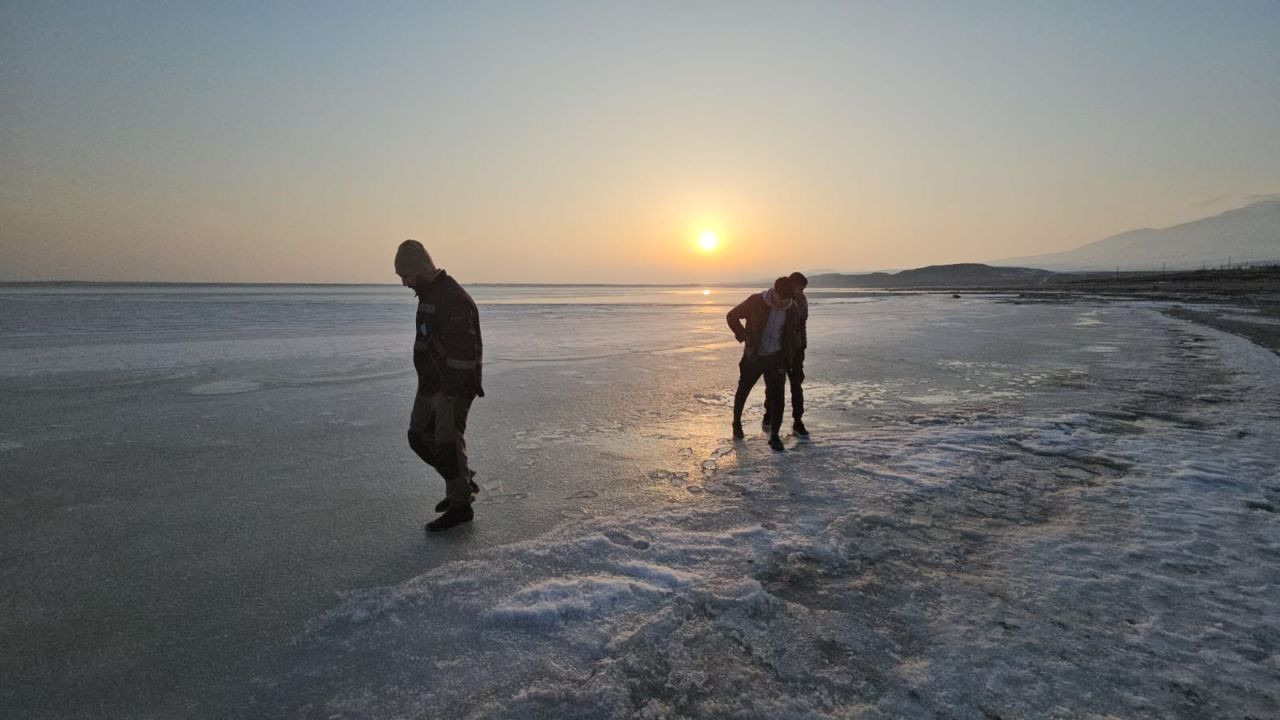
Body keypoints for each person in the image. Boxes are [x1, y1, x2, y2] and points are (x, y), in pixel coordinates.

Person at [395, 239, 485, 532]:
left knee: (447, 444)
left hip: (451, 388)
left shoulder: (452, 298)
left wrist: (448, 391)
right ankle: (461, 481)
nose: (404, 282)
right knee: (419, 436)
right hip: (430, 384)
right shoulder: (429, 294)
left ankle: (461, 506)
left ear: (420, 268)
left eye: (406, 275)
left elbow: (465, 352)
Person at [727, 276, 799, 451]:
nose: (783, 303)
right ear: (774, 291)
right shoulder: (756, 301)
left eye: (787, 300)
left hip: (777, 358)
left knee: (778, 397)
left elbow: (793, 332)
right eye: (780, 299)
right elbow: (732, 316)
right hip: (754, 356)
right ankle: (736, 423)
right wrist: (745, 337)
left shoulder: (792, 308)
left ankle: (774, 435)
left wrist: (790, 354)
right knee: (743, 390)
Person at [763, 271, 809, 436]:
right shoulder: (775, 300)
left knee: (796, 384)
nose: (801, 292)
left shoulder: (800, 302)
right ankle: (769, 414)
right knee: (774, 385)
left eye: (802, 290)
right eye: (799, 289)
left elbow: (801, 325)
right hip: (778, 350)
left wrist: (801, 345)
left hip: (796, 350)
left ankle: (798, 420)